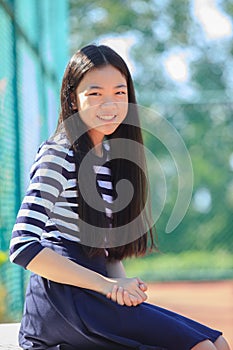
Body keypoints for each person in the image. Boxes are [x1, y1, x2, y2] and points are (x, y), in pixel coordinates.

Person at [9, 44, 230, 350]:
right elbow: (22, 246)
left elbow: (106, 252)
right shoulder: (59, 153)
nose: (109, 105)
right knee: (202, 347)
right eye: (95, 94)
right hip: (62, 302)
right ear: (73, 99)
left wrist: (122, 290)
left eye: (119, 93)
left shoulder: (113, 157)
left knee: (219, 341)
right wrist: (108, 286)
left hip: (96, 295)